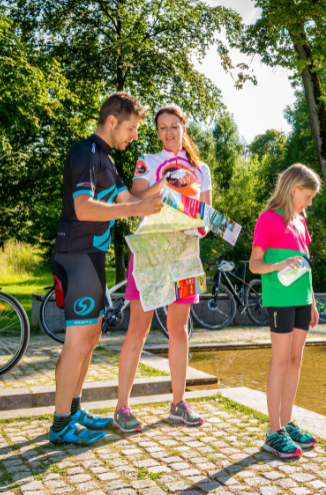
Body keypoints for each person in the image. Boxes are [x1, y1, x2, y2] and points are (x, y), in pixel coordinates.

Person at [48, 92, 164, 446]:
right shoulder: (86, 152)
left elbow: (129, 200)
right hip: (76, 254)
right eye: (130, 128)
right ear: (111, 121)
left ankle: (75, 407)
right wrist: (133, 211)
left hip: (92, 258)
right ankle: (60, 424)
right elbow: (84, 208)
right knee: (77, 342)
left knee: (92, 337)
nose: (133, 135)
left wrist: (167, 187)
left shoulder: (107, 161)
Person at [113, 105, 211, 432]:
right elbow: (134, 200)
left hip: (183, 254)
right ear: (156, 133)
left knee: (179, 329)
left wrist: (200, 226)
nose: (168, 132)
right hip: (151, 252)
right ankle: (122, 407)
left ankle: (178, 404)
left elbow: (206, 216)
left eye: (174, 126)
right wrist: (166, 182)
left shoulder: (202, 169)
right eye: (162, 128)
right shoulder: (148, 161)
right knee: (138, 329)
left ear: (184, 127)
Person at [249, 163, 321, 459]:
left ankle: (288, 423)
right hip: (279, 300)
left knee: (295, 359)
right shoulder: (268, 220)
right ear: (294, 190)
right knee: (279, 362)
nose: (310, 202)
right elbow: (255, 264)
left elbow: (306, 266)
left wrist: (313, 302)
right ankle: (273, 430)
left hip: (302, 300)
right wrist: (276, 265)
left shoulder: (301, 223)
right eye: (308, 196)